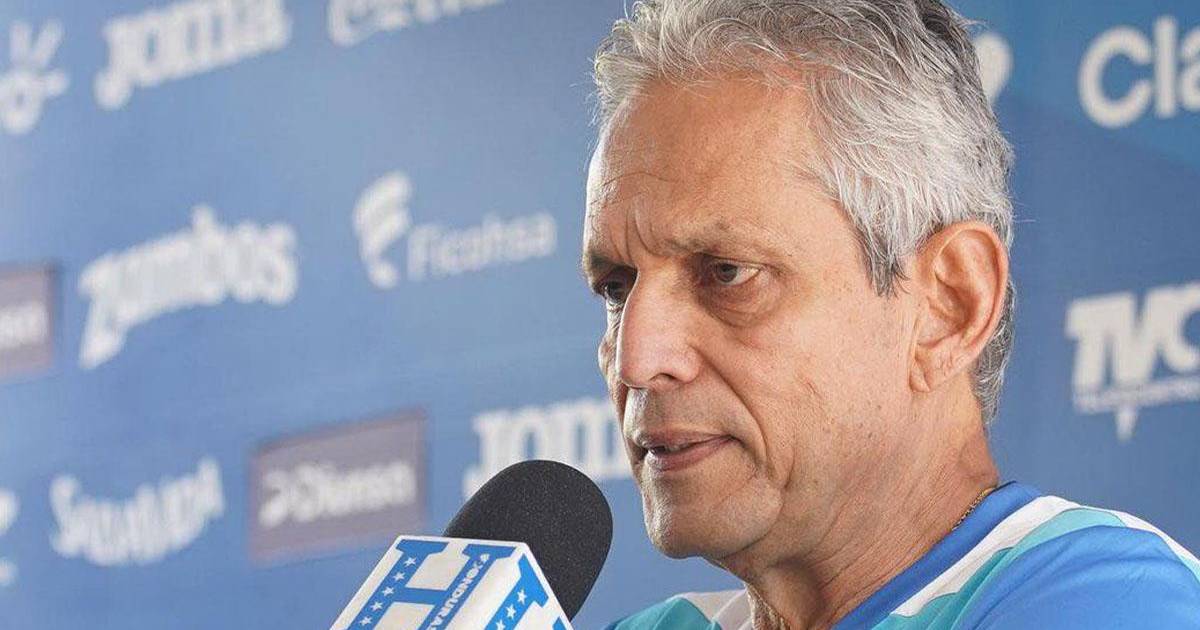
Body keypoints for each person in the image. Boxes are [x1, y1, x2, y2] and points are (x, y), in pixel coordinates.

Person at [579, 1, 1200, 628]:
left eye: (727, 273)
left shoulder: (1111, 598)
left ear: (948, 308)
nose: (636, 359)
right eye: (615, 288)